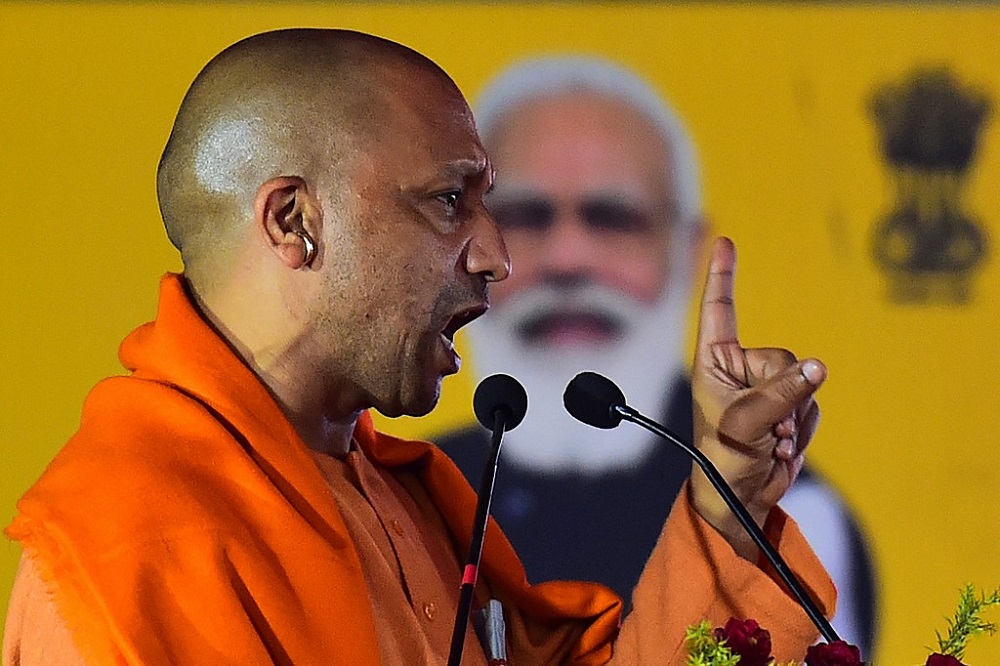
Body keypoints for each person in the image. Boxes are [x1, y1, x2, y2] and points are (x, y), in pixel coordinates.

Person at [3, 30, 836, 665]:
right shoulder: (127, 550)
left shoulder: (406, 503)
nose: (497, 256)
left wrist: (731, 507)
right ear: (293, 221)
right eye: (447, 201)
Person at [438, 55, 877, 655]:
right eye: (526, 217)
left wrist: (733, 512)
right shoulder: (417, 497)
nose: (568, 259)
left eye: (612, 218)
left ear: (687, 249)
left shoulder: (784, 513)